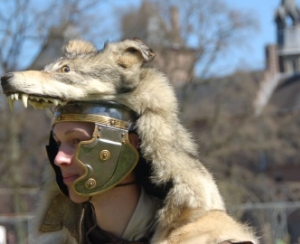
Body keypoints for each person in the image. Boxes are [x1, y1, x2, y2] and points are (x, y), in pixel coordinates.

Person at [31, 100, 258, 244]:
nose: (60, 158)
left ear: (129, 144)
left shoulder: (211, 240)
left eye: (77, 140)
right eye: (58, 143)